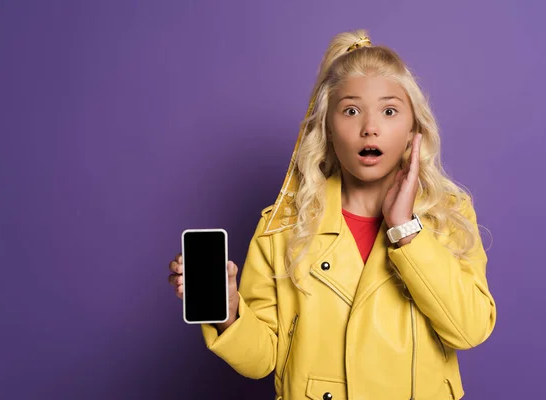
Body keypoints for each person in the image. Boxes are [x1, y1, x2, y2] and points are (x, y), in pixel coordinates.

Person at [169, 29, 496, 400]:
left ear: (412, 131)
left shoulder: (446, 216)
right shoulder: (283, 224)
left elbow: (468, 330)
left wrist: (406, 228)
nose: (369, 127)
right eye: (351, 110)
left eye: (389, 111)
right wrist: (228, 312)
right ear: (327, 127)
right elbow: (261, 359)